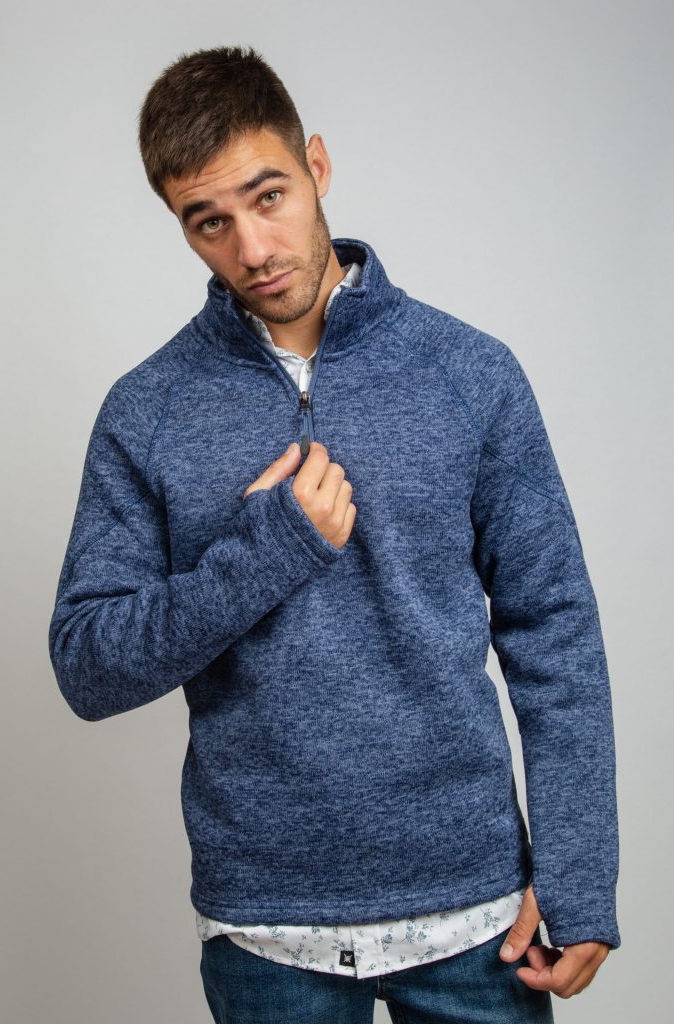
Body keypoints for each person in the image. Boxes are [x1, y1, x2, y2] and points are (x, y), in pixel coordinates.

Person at [48, 44, 621, 1023]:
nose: (252, 248)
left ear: (315, 164)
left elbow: (552, 628)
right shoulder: (148, 409)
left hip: (474, 917)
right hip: (264, 930)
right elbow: (87, 666)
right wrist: (262, 552)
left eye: (267, 196)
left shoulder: (467, 373)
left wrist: (576, 871)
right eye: (209, 221)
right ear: (180, 226)